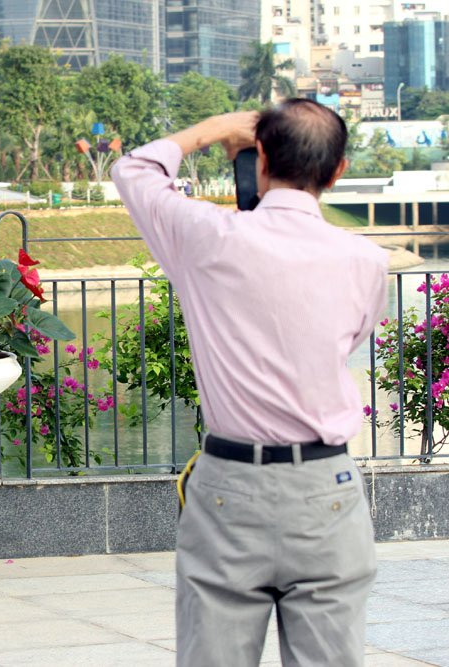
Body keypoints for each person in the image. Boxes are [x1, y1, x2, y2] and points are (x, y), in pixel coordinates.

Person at [111, 99, 387, 666]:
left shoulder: (207, 237)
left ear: (259, 155)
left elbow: (132, 170)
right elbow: (344, 343)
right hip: (324, 486)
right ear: (338, 171)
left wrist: (214, 130)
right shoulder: (365, 260)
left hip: (229, 485)